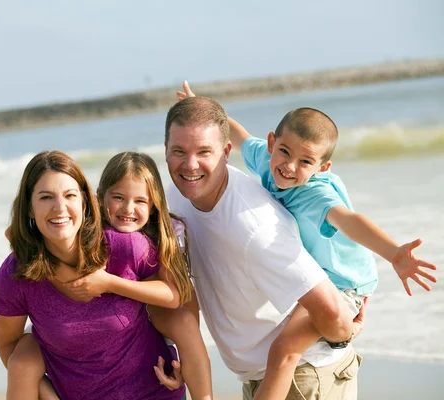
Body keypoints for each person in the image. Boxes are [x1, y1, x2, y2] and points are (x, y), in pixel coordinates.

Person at [176, 82, 438, 399]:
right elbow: (239, 134)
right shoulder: (265, 160)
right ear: (272, 143)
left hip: (342, 284)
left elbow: (350, 221)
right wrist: (202, 111)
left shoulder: (313, 193)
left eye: (305, 162)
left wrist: (393, 252)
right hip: (315, 281)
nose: (289, 167)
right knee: (283, 347)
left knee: (284, 349)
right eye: (285, 152)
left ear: (322, 167)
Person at [163, 95, 361, 400]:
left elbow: (334, 314)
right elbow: (187, 295)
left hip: (306, 376)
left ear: (226, 152)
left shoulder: (257, 226)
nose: (190, 165)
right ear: (165, 151)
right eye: (179, 151)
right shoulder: (175, 201)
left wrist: (344, 334)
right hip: (260, 377)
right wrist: (182, 362)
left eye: (204, 151)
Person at [0, 150, 186, 400]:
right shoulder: (15, 277)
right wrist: (49, 395)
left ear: (84, 201)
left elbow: (176, 297)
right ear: (29, 207)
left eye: (69, 195)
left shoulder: (124, 247)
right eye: (46, 197)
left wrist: (187, 367)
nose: (60, 208)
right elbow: (10, 349)